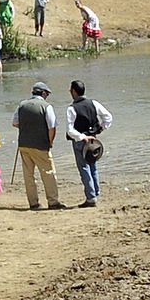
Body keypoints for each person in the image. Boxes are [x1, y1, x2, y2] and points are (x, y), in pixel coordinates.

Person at [12, 81, 64, 210]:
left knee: (28, 175)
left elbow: (15, 123)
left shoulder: (22, 105)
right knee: (48, 172)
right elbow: (52, 127)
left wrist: (27, 129)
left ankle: (33, 203)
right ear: (44, 93)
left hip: (23, 144)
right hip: (40, 145)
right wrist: (50, 141)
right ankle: (53, 201)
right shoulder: (46, 106)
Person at [66, 80, 113, 208]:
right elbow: (108, 117)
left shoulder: (71, 109)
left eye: (71, 90)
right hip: (93, 140)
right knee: (93, 166)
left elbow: (70, 130)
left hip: (81, 142)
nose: (70, 92)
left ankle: (91, 197)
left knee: (84, 168)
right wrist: (100, 129)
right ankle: (96, 192)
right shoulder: (94, 103)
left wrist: (81, 137)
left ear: (74, 92)